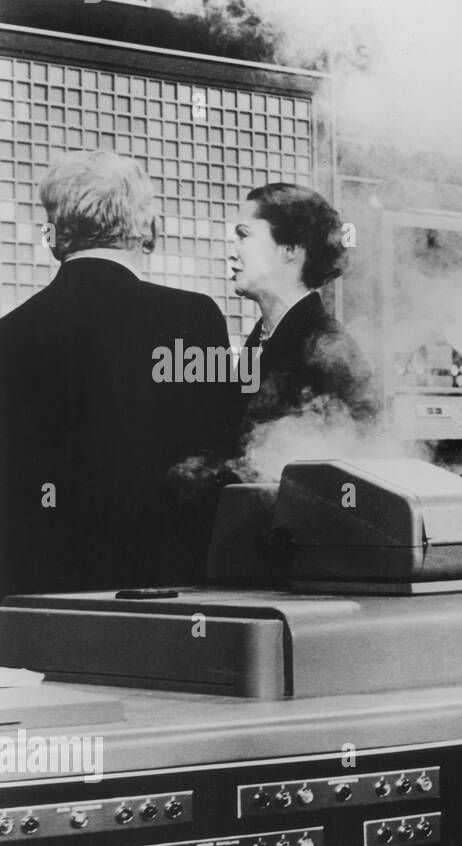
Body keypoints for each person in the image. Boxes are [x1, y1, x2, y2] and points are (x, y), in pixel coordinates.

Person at [0, 151, 240, 597]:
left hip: (36, 584)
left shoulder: (11, 332)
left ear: (54, 237)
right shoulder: (193, 317)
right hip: (166, 580)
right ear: (148, 229)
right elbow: (222, 447)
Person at [229, 182, 374, 429]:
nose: (233, 251)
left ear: (289, 249)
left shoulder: (333, 351)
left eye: (244, 235)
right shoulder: (264, 337)